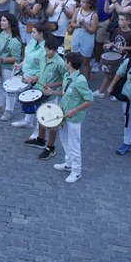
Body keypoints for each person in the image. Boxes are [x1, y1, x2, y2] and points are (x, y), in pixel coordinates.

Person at [45, 51, 94, 183]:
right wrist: (53, 92)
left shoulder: (80, 80)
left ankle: (77, 171)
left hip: (74, 118)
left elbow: (89, 100)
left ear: (70, 63)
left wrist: (75, 110)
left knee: (74, 144)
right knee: (64, 140)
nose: (64, 64)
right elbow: (65, 92)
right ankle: (69, 163)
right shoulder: (68, 75)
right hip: (64, 114)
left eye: (65, 61)